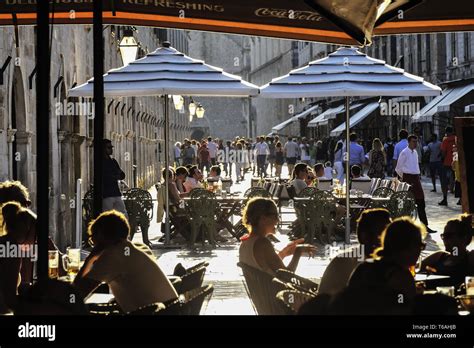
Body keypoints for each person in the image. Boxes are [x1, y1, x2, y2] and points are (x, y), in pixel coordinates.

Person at [74, 211, 178, 313]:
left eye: (93, 239)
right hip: (171, 309)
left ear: (101, 236)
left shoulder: (112, 255)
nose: (93, 244)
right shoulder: (138, 248)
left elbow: (76, 294)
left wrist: (90, 258)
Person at [331, 218, 426, 315]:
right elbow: (404, 308)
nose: (420, 250)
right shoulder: (401, 277)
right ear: (407, 247)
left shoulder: (364, 267)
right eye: (420, 245)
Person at [318, 209, 391, 295]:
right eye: (383, 234)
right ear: (365, 237)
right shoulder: (343, 264)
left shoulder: (390, 263)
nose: (390, 238)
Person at [239, 198, 316, 274]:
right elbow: (287, 276)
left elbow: (268, 266)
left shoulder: (245, 242)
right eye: (275, 215)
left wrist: (284, 253)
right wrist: (298, 252)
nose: (278, 220)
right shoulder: (262, 243)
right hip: (273, 286)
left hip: (261, 286)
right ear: (263, 219)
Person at [0, 202, 37, 313]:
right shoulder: (11, 249)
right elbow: (9, 300)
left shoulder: (5, 243)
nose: (35, 241)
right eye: (35, 235)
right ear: (27, 230)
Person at [395, 135, 436, 234]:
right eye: (413, 141)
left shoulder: (415, 153)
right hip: (408, 178)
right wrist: (404, 179)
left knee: (421, 201)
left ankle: (424, 225)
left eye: (416, 141)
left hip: (416, 178)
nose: (415, 143)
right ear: (409, 142)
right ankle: (407, 226)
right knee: (408, 203)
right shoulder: (404, 152)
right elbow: (398, 168)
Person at [421, 214, 473, 287]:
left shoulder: (470, 258)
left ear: (463, 238)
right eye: (443, 236)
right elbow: (413, 269)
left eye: (449, 236)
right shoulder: (439, 255)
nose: (445, 239)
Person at [102, 139, 128, 218]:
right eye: (108, 147)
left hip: (116, 193)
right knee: (107, 217)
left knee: (124, 215)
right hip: (106, 195)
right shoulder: (101, 162)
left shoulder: (113, 161)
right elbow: (107, 177)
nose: (111, 149)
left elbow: (122, 175)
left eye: (111, 147)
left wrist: (115, 175)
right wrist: (115, 175)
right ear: (103, 149)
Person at [439, 126, 456, 206]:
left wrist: (442, 159)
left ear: (447, 132)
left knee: (444, 182)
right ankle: (461, 199)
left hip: (447, 164)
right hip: (456, 163)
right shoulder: (456, 139)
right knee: (458, 180)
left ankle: (445, 199)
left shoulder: (445, 140)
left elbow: (443, 153)